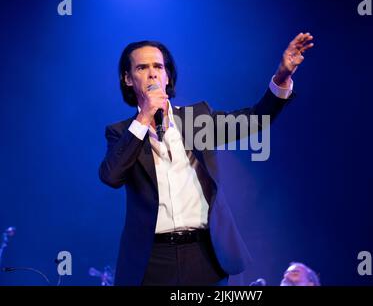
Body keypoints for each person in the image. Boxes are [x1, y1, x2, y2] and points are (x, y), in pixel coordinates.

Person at [99, 33, 314, 286]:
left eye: (158, 66)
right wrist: (144, 117)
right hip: (154, 259)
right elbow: (111, 176)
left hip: (204, 253)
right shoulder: (121, 133)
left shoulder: (196, 119)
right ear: (127, 79)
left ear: (168, 77)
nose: (152, 74)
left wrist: (282, 77)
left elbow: (254, 120)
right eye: (142, 68)